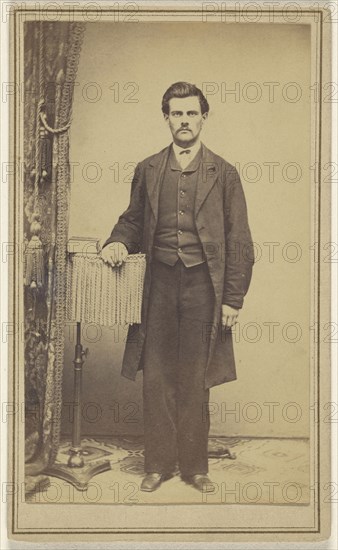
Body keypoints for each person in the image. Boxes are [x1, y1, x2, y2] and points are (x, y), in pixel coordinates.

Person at [101, 82, 254, 493]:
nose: (184, 121)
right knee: (158, 375)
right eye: (176, 113)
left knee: (195, 376)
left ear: (204, 117)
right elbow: (132, 220)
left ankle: (195, 467)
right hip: (159, 285)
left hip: (205, 287)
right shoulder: (148, 169)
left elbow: (240, 240)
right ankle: (157, 465)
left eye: (191, 113)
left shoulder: (224, 173)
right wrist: (117, 240)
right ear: (166, 117)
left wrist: (233, 298)